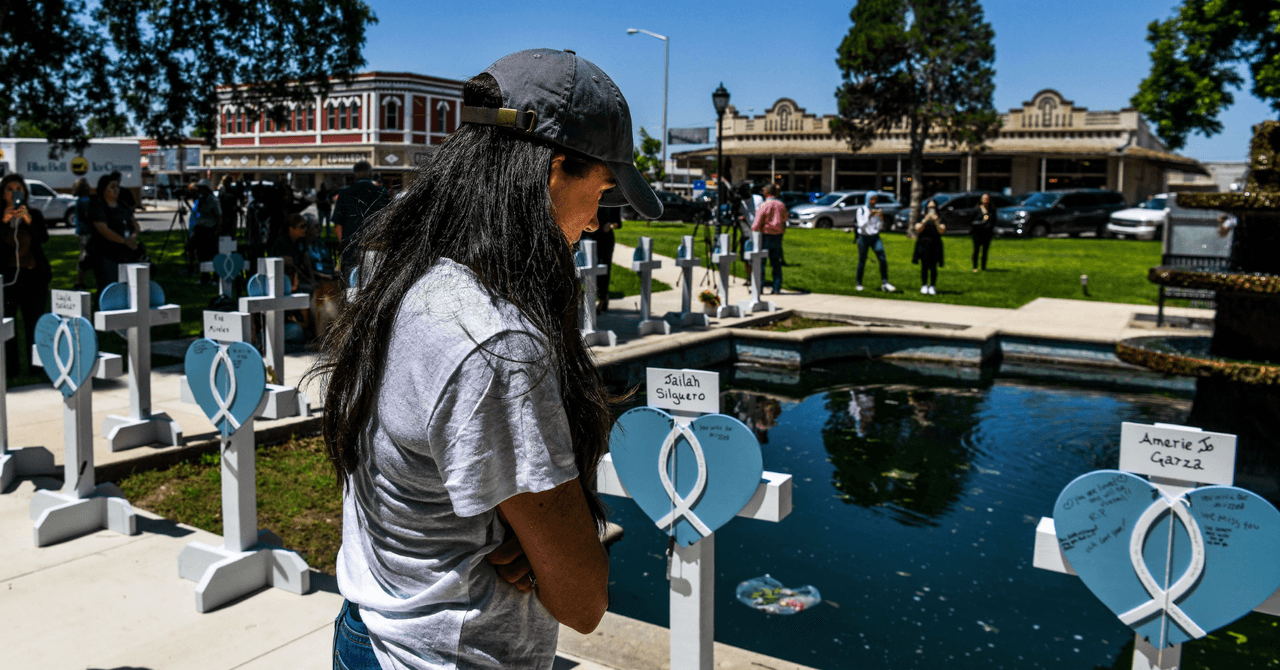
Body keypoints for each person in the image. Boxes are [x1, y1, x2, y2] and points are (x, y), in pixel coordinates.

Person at [318, 48, 662, 670]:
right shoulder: (495, 344)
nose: (595, 221)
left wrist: (536, 541)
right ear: (554, 172)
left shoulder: (409, 275)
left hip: (369, 630)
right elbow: (583, 600)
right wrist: (559, 548)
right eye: (602, 190)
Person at [0, 174, 51, 378]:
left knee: (35, 324)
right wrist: (5, 221)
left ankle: (36, 367)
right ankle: (10, 369)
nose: (14, 193)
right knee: (8, 324)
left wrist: (28, 220)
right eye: (9, 189)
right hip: (7, 280)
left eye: (18, 189)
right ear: (2, 194)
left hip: (33, 278)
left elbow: (43, 238)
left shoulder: (34, 214)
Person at [87, 173, 143, 291]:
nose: (116, 190)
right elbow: (103, 229)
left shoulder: (123, 205)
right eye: (112, 187)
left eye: (117, 187)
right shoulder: (98, 205)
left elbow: (135, 225)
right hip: (106, 254)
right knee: (109, 287)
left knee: (128, 287)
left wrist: (132, 237)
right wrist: (124, 241)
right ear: (103, 189)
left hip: (126, 253)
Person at [333, 161, 391, 272]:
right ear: (370, 173)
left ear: (354, 174)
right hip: (376, 249)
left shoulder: (345, 193)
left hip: (351, 249)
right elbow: (390, 221)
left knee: (351, 279)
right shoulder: (382, 192)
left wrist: (342, 246)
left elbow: (338, 226)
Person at [579, 205, 620, 312]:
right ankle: (585, 297)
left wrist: (611, 225)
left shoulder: (612, 202)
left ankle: (603, 298)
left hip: (604, 239)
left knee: (603, 270)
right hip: (587, 237)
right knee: (583, 269)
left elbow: (617, 223)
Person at [854, 192, 895, 292]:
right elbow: (861, 226)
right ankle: (858, 283)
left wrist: (881, 219)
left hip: (875, 237)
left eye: (875, 199)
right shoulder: (861, 210)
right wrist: (869, 216)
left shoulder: (877, 210)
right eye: (871, 199)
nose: (873, 201)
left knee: (882, 257)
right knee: (862, 260)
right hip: (863, 237)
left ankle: (885, 282)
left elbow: (879, 227)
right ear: (867, 199)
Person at [752, 183, 788, 294]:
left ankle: (759, 287)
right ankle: (777, 287)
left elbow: (758, 222)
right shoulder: (781, 204)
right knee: (776, 263)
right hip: (778, 235)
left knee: (761, 262)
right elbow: (784, 220)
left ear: (767, 192)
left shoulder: (764, 205)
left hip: (766, 235)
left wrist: (754, 231)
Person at [189, 179, 222, 283]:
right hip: (200, 228)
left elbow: (219, 216)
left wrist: (217, 229)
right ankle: (204, 276)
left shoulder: (214, 200)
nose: (199, 190)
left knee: (213, 253)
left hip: (210, 229)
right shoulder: (199, 200)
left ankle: (216, 277)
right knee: (201, 254)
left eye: (201, 188)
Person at [912, 200, 946, 295]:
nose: (931, 209)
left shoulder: (940, 217)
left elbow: (941, 231)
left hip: (935, 244)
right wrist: (925, 220)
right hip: (923, 244)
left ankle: (932, 286)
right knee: (924, 265)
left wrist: (936, 221)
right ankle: (924, 285)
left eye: (933, 207)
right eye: (929, 207)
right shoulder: (921, 216)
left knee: (933, 266)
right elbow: (918, 229)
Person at [72, 178, 93, 289]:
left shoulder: (80, 200)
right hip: (86, 232)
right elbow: (87, 216)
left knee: (84, 255)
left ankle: (80, 281)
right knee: (85, 256)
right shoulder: (85, 200)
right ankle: (79, 281)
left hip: (81, 231)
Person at [971, 192, 996, 272]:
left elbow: (994, 221)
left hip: (987, 233)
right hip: (978, 233)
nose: (985, 200)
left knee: (985, 251)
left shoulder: (991, 210)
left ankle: (983, 267)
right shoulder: (977, 209)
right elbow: (972, 221)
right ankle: (975, 266)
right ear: (981, 199)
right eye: (984, 198)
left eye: (987, 199)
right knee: (976, 250)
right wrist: (982, 220)